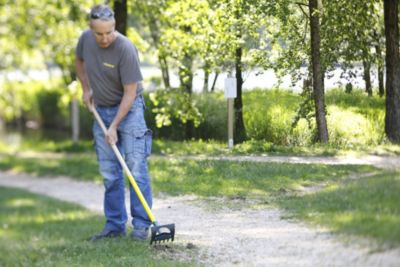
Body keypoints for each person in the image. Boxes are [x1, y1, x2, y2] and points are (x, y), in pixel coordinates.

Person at [75, 4, 153, 241]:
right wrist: (86, 89)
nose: (105, 38)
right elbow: (80, 62)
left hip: (129, 112)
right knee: (110, 173)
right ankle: (114, 226)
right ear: (91, 29)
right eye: (99, 33)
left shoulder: (125, 48)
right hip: (101, 109)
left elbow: (130, 93)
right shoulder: (85, 40)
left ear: (114, 27)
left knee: (135, 168)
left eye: (109, 32)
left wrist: (114, 126)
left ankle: (141, 227)